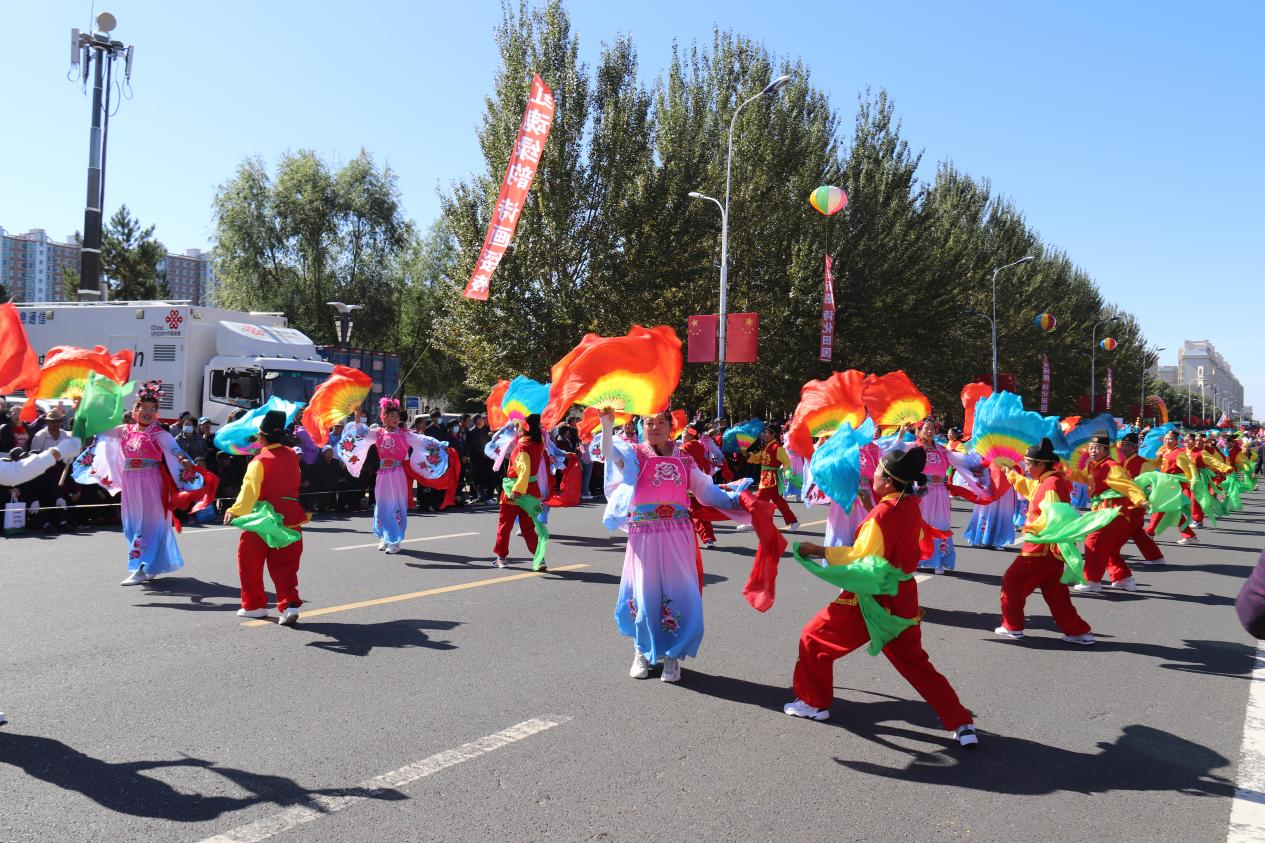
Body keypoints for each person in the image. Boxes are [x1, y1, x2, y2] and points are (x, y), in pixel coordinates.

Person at [785, 447, 978, 748]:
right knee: (916, 663)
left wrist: (818, 551)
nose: (872, 475)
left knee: (813, 638)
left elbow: (862, 557)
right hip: (902, 595)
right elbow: (889, 525)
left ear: (887, 481)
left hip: (870, 596)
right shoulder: (910, 504)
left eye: (876, 472)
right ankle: (961, 723)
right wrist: (870, 504)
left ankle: (813, 703)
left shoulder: (882, 514)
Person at [600, 408, 753, 684]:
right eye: (648, 422)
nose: (654, 427)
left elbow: (707, 492)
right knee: (645, 592)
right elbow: (609, 453)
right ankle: (641, 651)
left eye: (660, 422)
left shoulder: (684, 458)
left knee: (679, 592)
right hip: (644, 532)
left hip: (678, 532)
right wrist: (606, 425)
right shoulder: (635, 454)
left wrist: (736, 498)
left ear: (671, 426)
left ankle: (672, 655)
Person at [89, 381, 199, 585]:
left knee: (149, 524)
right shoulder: (124, 431)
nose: (148, 412)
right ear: (135, 410)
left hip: (151, 482)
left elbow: (175, 450)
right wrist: (87, 409)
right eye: (144, 408)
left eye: (152, 409)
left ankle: (140, 567)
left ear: (157, 413)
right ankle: (150, 565)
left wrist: (183, 459)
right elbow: (101, 432)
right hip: (130, 482)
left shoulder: (159, 433)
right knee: (131, 523)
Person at [994, 438, 1096, 644]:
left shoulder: (1051, 483)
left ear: (1041, 464)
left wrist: (1032, 527)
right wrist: (1011, 474)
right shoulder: (1050, 480)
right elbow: (1031, 488)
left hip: (1043, 547)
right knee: (1055, 592)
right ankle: (1078, 632)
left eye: (1029, 463)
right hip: (1053, 550)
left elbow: (1053, 518)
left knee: (1012, 581)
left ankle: (1012, 626)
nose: (1026, 467)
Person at [224, 410, 307, 624]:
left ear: (263, 437)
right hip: (290, 517)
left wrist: (235, 510)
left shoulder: (259, 460)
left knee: (249, 561)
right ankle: (289, 605)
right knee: (285, 565)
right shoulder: (291, 455)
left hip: (263, 518)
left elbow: (249, 491)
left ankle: (254, 605)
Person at [337, 398, 448, 554]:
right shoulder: (378, 434)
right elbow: (361, 434)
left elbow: (422, 441)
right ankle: (384, 536)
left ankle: (394, 541)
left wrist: (439, 444)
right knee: (382, 505)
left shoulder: (405, 434)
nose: (395, 419)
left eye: (397, 416)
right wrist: (357, 415)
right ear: (384, 417)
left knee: (396, 505)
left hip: (397, 475)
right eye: (392, 416)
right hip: (382, 475)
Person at [1065, 435, 1149, 593]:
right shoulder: (1093, 465)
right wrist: (1066, 471)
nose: (1093, 451)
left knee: (1093, 542)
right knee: (1107, 547)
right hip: (1102, 512)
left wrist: (1140, 499)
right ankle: (1123, 578)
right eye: (1091, 448)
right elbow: (1085, 477)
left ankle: (1092, 581)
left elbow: (1127, 485)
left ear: (1106, 450)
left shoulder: (1112, 466)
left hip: (1112, 512)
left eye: (1097, 448)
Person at [902, 419, 979, 573]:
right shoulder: (913, 448)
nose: (929, 431)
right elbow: (893, 451)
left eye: (932, 428)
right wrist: (901, 435)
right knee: (920, 524)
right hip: (922, 491)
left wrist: (981, 458)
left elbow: (963, 459)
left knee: (940, 524)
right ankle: (918, 558)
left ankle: (937, 560)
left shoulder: (942, 450)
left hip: (940, 492)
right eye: (926, 428)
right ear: (918, 431)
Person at [492, 413, 547, 569]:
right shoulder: (539, 442)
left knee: (505, 525)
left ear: (524, 427)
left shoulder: (523, 446)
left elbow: (524, 469)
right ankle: (540, 558)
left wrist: (517, 490)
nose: (517, 427)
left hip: (516, 490)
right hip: (532, 490)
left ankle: (501, 557)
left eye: (520, 425)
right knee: (528, 527)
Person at [1115, 432, 1166, 566]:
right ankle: (1155, 557)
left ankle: (1111, 555)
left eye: (1127, 445)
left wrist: (1145, 500)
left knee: (1120, 534)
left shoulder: (1143, 464)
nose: (1123, 448)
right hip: (1124, 503)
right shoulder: (1120, 463)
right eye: (1123, 445)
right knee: (1137, 533)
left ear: (1135, 448)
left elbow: (1149, 485)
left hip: (1136, 505)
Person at [1145, 430, 1198, 544]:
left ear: (1176, 441)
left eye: (1170, 439)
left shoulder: (1179, 453)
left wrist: (1191, 481)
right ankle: (1189, 535)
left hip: (1172, 485)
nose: (1167, 441)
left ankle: (1150, 532)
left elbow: (1190, 468)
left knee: (1160, 506)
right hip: (1163, 483)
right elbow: (1155, 465)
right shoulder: (1164, 450)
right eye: (1166, 439)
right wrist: (1156, 457)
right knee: (1173, 510)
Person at [744, 425, 799, 530]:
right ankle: (793, 521)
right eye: (764, 432)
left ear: (773, 434)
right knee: (779, 501)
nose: (764, 435)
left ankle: (753, 521)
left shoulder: (777, 448)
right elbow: (758, 458)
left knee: (759, 499)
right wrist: (747, 455)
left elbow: (786, 462)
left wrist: (788, 473)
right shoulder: (766, 446)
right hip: (767, 477)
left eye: (766, 433)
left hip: (770, 479)